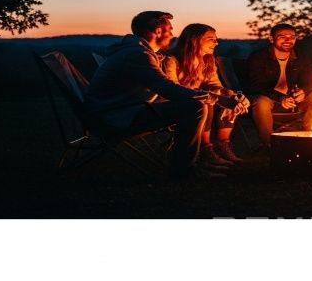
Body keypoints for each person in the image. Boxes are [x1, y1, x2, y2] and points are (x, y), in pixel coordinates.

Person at [84, 11, 229, 180]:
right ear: (158, 31)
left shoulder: (138, 53)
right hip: (113, 119)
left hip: (119, 112)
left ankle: (188, 165)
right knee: (194, 107)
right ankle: (184, 171)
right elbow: (169, 90)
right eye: (169, 29)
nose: (172, 34)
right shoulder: (138, 55)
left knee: (194, 103)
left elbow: (164, 91)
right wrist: (218, 99)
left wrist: (218, 94)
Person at [163, 23, 249, 170]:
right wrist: (212, 95)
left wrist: (231, 94)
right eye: (211, 39)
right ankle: (205, 148)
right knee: (206, 101)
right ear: (194, 40)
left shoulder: (208, 60)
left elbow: (214, 84)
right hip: (177, 106)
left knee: (227, 97)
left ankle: (223, 144)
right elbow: (173, 90)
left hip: (199, 100)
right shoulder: (172, 60)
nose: (216, 42)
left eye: (216, 39)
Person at [245, 23, 312, 147]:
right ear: (272, 39)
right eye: (282, 36)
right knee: (261, 102)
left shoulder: (301, 56)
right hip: (270, 100)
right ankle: (270, 145)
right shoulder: (259, 57)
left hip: (294, 102)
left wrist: (304, 91)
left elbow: (309, 82)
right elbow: (255, 85)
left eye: (292, 37)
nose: (288, 40)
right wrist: (280, 97)